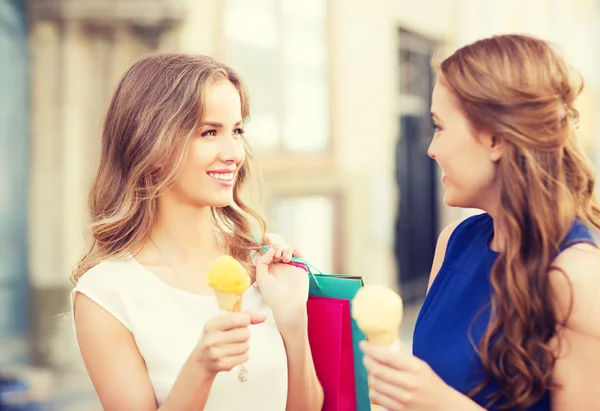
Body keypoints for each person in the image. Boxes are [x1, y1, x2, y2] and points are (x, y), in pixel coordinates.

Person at [70, 53, 324, 411]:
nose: (234, 153)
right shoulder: (106, 294)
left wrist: (294, 319)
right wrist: (200, 369)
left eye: (237, 131)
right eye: (209, 132)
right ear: (150, 143)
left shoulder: (260, 266)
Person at [360, 34, 600, 411]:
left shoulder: (577, 275)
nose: (431, 148)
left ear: (494, 139)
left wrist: (438, 403)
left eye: (439, 126)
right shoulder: (452, 241)